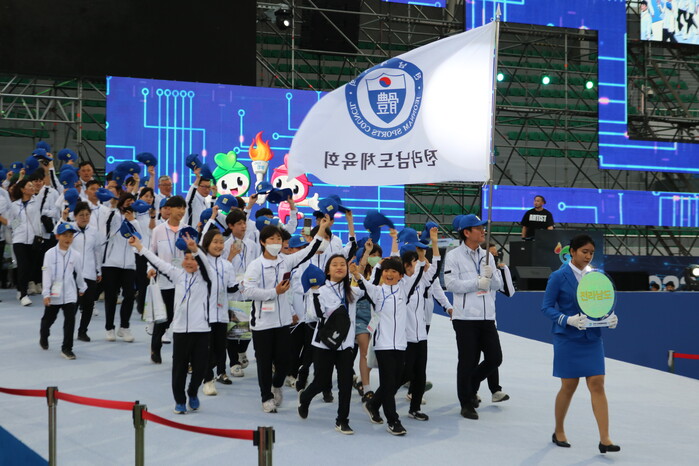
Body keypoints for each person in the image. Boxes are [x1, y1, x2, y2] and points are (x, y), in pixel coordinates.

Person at [541, 234, 620, 453]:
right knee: (569, 386)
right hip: (567, 338)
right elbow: (546, 307)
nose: (588, 256)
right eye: (584, 252)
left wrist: (609, 317)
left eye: (591, 253)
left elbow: (600, 304)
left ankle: (605, 439)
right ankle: (558, 430)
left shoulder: (595, 276)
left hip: (592, 338)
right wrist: (567, 320)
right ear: (572, 252)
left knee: (597, 383)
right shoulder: (558, 276)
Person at [243, 215, 330, 413]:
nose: (276, 242)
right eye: (271, 239)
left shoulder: (286, 261)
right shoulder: (256, 265)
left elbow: (308, 251)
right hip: (262, 323)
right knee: (264, 362)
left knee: (284, 361)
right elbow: (248, 291)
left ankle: (277, 385)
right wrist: (274, 292)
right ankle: (266, 397)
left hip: (282, 322)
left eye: (279, 239)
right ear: (263, 242)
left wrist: (321, 229)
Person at [356, 231, 432, 436]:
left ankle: (373, 405)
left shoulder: (404, 291)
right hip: (383, 345)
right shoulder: (377, 292)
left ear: (400, 275)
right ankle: (393, 420)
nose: (389, 274)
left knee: (395, 381)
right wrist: (372, 267)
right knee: (389, 384)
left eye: (394, 272)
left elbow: (418, 274)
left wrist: (422, 255)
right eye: (387, 271)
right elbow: (363, 281)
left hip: (401, 345)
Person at [130, 232, 214, 414]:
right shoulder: (177, 275)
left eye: (193, 259)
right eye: (186, 258)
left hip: (201, 330)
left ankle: (193, 392)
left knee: (200, 368)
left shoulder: (207, 278)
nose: (189, 262)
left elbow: (206, 264)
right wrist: (140, 247)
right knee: (179, 369)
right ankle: (180, 400)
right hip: (181, 331)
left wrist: (196, 250)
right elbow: (158, 262)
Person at [444, 214, 503, 420]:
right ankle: (466, 402)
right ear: (467, 232)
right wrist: (476, 282)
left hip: (487, 317)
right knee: (467, 361)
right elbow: (451, 284)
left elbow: (497, 285)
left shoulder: (487, 256)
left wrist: (492, 275)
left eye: (482, 227)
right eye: (478, 228)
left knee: (495, 358)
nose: (483, 231)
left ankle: (470, 386)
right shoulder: (454, 256)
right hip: (465, 318)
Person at [298, 254, 364, 434]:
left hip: (346, 344)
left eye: (342, 264)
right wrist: (316, 294)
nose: (339, 267)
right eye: (335, 265)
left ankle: (342, 420)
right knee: (320, 382)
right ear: (328, 270)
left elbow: (369, 290)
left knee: (345, 383)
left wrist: (358, 275)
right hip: (324, 344)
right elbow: (314, 315)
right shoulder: (320, 290)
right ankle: (305, 397)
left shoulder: (352, 291)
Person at [147, 196, 187, 361]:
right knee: (165, 317)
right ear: (169, 209)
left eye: (183, 208)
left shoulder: (187, 230)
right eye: (178, 207)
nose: (181, 211)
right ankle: (155, 348)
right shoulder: (158, 230)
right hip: (164, 280)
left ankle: (181, 355)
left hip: (183, 281)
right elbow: (152, 252)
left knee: (182, 317)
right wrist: (150, 268)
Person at [39, 222, 87, 360]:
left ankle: (67, 348)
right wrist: (46, 293)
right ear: (57, 236)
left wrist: (82, 287)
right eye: (65, 235)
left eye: (71, 236)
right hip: (54, 293)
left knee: (70, 321)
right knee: (48, 319)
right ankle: (44, 334)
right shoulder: (49, 254)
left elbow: (79, 273)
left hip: (70, 293)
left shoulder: (76, 255)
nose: (68, 239)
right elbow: (46, 274)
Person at [200, 229, 239, 396]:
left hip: (222, 313)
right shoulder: (201, 263)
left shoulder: (227, 265)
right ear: (207, 244)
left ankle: (211, 370)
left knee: (220, 348)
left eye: (221, 242)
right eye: (215, 242)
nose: (219, 245)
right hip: (204, 313)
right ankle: (208, 380)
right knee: (207, 348)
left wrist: (242, 284)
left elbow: (231, 288)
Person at [99, 192, 141, 342]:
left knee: (129, 295)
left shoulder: (135, 220)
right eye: (127, 201)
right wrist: (113, 207)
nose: (130, 203)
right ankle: (109, 328)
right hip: (111, 263)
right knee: (111, 296)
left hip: (129, 264)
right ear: (121, 202)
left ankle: (124, 327)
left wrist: (132, 221)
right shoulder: (113, 215)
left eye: (132, 201)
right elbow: (105, 227)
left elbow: (138, 239)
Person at [61, 202, 102, 342]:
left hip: (90, 272)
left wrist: (98, 270)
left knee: (89, 304)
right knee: (73, 305)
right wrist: (63, 219)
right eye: (81, 215)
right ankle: (68, 333)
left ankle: (83, 331)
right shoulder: (70, 229)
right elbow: (57, 234)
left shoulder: (94, 231)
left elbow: (97, 251)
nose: (85, 218)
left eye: (87, 215)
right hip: (73, 272)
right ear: (75, 216)